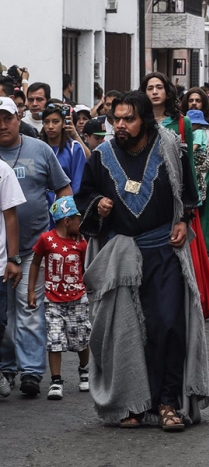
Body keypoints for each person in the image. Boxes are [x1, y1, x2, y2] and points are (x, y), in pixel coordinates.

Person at [74, 91, 209, 430]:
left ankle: (167, 403)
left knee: (168, 323)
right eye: (115, 119)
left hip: (164, 250)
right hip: (121, 256)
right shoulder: (102, 155)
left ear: (144, 120)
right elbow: (83, 196)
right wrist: (98, 204)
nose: (120, 125)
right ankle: (131, 404)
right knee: (124, 332)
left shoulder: (170, 147)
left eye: (128, 119)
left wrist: (183, 221)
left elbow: (188, 194)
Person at [0, 97, 72, 395]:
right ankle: (6, 368)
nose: (2, 124)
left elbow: (62, 188)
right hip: (1, 253)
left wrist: (63, 230)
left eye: (7, 118)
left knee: (29, 309)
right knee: (4, 316)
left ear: (19, 118)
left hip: (35, 247)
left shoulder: (39, 149)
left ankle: (31, 371)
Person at [140, 72, 209, 320]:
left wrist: (189, 205)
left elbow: (187, 169)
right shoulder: (137, 121)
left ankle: (185, 305)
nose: (154, 92)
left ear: (167, 91)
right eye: (149, 87)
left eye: (159, 87)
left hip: (175, 198)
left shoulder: (181, 123)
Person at [27, 196, 89, 401]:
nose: (81, 224)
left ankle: (84, 370)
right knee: (54, 340)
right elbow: (35, 263)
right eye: (78, 220)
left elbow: (85, 267)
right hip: (53, 299)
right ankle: (56, 380)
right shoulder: (46, 239)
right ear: (67, 221)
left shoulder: (81, 243)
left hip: (77, 298)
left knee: (81, 338)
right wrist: (32, 291)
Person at [0, 101, 26, 395]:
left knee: (1, 321)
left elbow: (10, 217)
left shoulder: (3, 171)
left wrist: (13, 258)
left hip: (0, 263)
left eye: (6, 118)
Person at [39, 101, 87, 212]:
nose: (50, 126)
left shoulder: (74, 148)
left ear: (63, 123)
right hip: (41, 206)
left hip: (66, 206)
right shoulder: (37, 147)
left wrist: (69, 209)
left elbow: (77, 183)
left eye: (55, 122)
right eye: (46, 122)